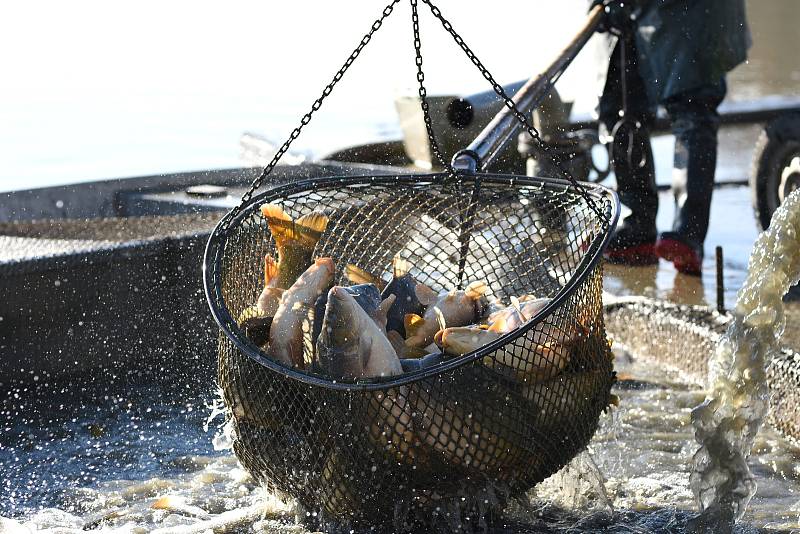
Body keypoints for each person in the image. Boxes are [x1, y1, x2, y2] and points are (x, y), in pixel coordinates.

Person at [594, 0, 750, 275]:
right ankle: (636, 227)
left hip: (691, 10)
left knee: (692, 104)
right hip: (631, 9)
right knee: (620, 106)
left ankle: (686, 234)